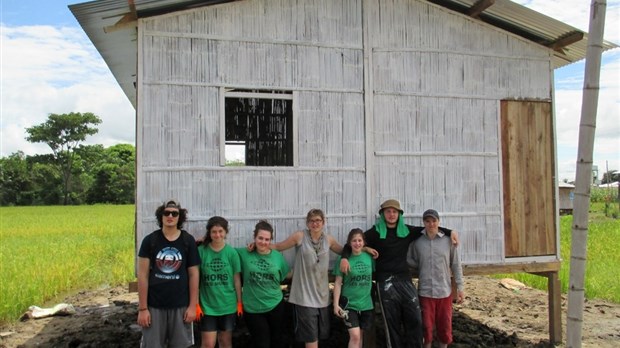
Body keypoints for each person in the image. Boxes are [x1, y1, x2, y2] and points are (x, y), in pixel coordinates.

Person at [340, 199, 458, 348]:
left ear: (399, 214)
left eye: (394, 212)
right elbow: (351, 243)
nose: (391, 214)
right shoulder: (375, 232)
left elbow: (430, 228)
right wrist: (346, 257)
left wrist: (450, 231)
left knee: (415, 318)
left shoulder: (407, 230)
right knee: (392, 322)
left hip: (404, 280)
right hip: (384, 282)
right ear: (383, 214)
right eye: (388, 211)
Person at [269, 209, 344, 348]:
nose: (315, 223)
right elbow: (278, 247)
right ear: (307, 223)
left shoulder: (329, 239)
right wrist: (259, 245)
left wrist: (363, 250)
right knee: (311, 339)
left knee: (321, 336)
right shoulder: (300, 236)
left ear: (323, 222)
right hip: (304, 296)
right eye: (312, 221)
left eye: (318, 220)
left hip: (323, 297)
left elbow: (345, 251)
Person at [137, 200, 200, 348]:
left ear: (180, 217)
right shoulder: (150, 240)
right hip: (154, 306)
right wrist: (143, 309)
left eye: (174, 213)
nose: (170, 216)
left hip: (181, 306)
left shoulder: (187, 241)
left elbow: (194, 275)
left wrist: (192, 306)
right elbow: (142, 276)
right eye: (166, 213)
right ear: (161, 217)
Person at [407, 209, 464, 348]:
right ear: (424, 223)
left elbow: (456, 264)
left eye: (434, 221)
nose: (431, 224)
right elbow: (409, 259)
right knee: (426, 328)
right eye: (427, 221)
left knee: (444, 327)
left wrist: (460, 287)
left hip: (444, 291)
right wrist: (420, 264)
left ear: (439, 222)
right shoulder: (417, 242)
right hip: (425, 292)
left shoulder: (448, 241)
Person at [236, 220, 291, 348]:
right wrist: (204, 240)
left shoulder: (277, 257)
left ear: (270, 240)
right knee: (262, 343)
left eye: (267, 239)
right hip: (252, 307)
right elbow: (222, 249)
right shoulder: (243, 253)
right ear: (254, 237)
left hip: (275, 305)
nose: (263, 242)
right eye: (260, 238)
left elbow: (284, 274)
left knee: (277, 341)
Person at [197, 216, 242, 348]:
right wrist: (195, 303)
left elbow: (237, 280)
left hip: (228, 305)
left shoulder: (231, 253)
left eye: (220, 231)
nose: (217, 235)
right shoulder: (201, 251)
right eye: (214, 232)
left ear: (226, 232)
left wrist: (239, 303)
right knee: (208, 344)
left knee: (225, 342)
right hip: (207, 306)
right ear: (209, 233)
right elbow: (195, 279)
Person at [332, 228, 375, 348]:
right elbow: (337, 283)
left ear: (364, 242)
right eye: (354, 241)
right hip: (349, 304)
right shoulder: (343, 260)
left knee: (360, 336)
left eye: (360, 240)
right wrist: (336, 304)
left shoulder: (369, 257)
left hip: (366, 304)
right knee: (355, 336)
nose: (357, 243)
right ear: (349, 243)